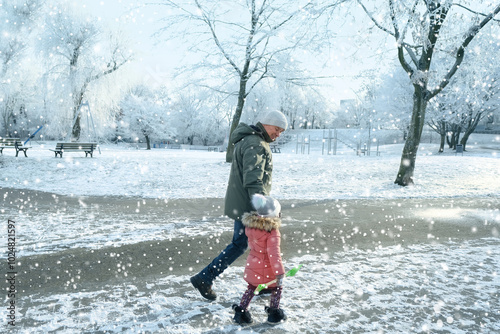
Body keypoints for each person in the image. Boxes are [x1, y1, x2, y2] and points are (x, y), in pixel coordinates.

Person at [190, 110, 288, 301]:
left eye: (281, 131)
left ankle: (260, 283)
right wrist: (264, 211)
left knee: (249, 244)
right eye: (277, 129)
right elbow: (253, 181)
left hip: (244, 203)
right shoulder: (256, 144)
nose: (278, 134)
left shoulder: (249, 140)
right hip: (249, 206)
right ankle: (205, 277)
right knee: (245, 244)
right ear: (266, 124)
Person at [232, 194, 286, 325]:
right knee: (277, 288)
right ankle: (274, 313)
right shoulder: (272, 231)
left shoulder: (251, 226)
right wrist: (279, 272)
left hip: (253, 264)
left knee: (251, 288)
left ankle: (241, 312)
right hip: (268, 268)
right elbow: (274, 254)